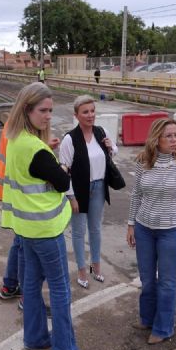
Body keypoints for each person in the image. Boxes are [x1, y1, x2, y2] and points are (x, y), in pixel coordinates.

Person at [0, 82, 83, 350]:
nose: (48, 116)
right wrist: (59, 166)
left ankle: (35, 337)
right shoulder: (36, 149)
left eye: (51, 110)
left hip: (25, 229)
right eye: (43, 111)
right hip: (46, 231)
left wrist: (47, 154)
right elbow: (62, 182)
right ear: (27, 110)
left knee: (31, 286)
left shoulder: (15, 139)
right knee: (60, 290)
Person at [127, 117, 176, 344]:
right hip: (144, 228)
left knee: (167, 281)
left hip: (173, 230)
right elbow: (136, 194)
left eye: (175, 135)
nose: (173, 139)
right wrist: (131, 224)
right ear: (156, 138)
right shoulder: (143, 161)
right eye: (168, 135)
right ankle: (147, 318)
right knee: (147, 279)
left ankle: (163, 327)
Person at [0, 120, 60, 312]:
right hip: (23, 199)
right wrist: (44, 150)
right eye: (43, 110)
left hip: (12, 193)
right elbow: (27, 159)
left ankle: (11, 285)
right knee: (25, 248)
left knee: (19, 243)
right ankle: (26, 296)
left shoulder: (12, 124)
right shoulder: (22, 129)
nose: (47, 117)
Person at [59, 95, 118, 289]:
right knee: (78, 231)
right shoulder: (70, 138)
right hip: (79, 189)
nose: (90, 115)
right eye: (85, 112)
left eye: (92, 111)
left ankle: (96, 268)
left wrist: (112, 147)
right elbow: (64, 169)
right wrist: (71, 197)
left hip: (99, 186)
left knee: (95, 229)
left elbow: (112, 152)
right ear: (76, 115)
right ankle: (82, 270)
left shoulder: (101, 131)